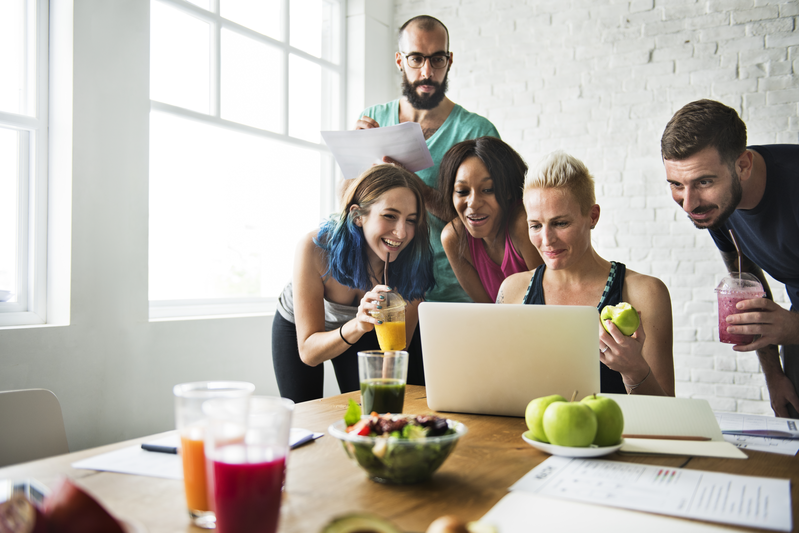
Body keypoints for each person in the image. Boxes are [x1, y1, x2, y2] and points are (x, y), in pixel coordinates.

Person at [661, 99, 799, 417]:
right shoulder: (714, 207)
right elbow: (745, 282)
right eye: (676, 185)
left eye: (704, 182)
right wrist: (773, 374)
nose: (689, 204)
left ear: (743, 165)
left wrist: (793, 328)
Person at [497, 152, 675, 396]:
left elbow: (666, 416)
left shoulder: (645, 293)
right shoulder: (512, 290)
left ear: (592, 216)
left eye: (560, 223)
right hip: (528, 434)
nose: (547, 240)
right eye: (536, 225)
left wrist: (634, 370)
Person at [354, 15, 500, 304]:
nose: (427, 71)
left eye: (437, 60)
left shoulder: (476, 131)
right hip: (385, 288)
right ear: (399, 60)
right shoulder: (374, 119)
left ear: (450, 59)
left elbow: (489, 221)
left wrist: (414, 185)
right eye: (416, 59)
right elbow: (349, 200)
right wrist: (357, 157)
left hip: (454, 290)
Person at [272, 165, 435, 403]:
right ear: (358, 216)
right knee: (302, 414)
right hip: (302, 329)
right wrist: (357, 324)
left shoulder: (414, 262)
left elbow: (395, 352)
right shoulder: (315, 248)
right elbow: (309, 352)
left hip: (369, 327)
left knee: (371, 406)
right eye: (390, 216)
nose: (401, 233)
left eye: (411, 220)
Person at [438, 137, 543, 302]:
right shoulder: (453, 237)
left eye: (487, 189)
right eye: (462, 191)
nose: (473, 203)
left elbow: (548, 302)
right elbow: (487, 310)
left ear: (508, 189)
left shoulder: (523, 224)